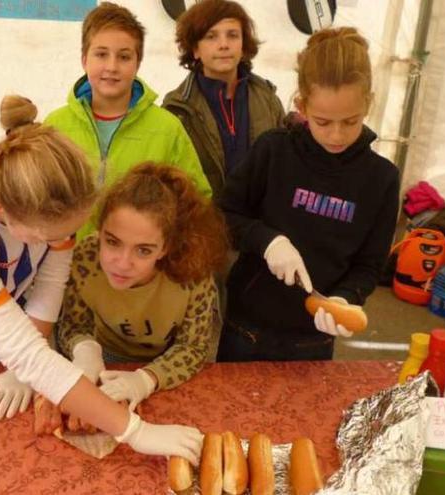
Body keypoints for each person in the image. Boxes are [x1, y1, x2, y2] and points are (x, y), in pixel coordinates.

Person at [0, 95, 203, 465]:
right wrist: (136, 432)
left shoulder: (52, 197)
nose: (58, 243)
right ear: (0, 211)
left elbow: (49, 286)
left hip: (15, 335)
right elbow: (22, 349)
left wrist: (25, 361)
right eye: (45, 238)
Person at [217, 27, 400, 362]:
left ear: (368, 105)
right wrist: (268, 240)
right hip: (246, 327)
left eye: (350, 121)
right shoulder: (273, 151)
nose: (336, 134)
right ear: (301, 104)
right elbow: (226, 214)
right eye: (322, 121)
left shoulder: (381, 178)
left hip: (313, 340)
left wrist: (347, 298)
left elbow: (369, 264)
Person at [54, 162, 227, 415]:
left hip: (166, 365)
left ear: (166, 248)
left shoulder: (193, 275)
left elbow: (193, 347)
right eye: (112, 242)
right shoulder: (84, 258)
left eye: (144, 250)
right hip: (102, 359)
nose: (123, 263)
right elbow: (73, 325)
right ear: (100, 231)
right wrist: (84, 349)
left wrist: (147, 379)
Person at [44, 1, 211, 238]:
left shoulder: (167, 128)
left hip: (141, 269)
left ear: (137, 64)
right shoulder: (55, 126)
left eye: (124, 57)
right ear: (84, 60)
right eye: (101, 54)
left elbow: (197, 202)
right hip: (65, 267)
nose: (111, 67)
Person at [162, 0, 285, 200]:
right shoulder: (177, 109)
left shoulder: (267, 98)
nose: (224, 45)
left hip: (259, 224)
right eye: (211, 36)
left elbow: (282, 165)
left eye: (232, 35)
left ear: (244, 44)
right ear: (195, 49)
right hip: (204, 224)